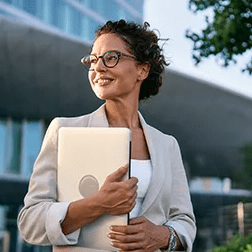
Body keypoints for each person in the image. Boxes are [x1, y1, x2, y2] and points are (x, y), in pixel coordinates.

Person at [18, 20, 196, 252]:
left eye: (111, 57)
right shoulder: (64, 131)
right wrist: (97, 204)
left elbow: (184, 220)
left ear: (142, 69)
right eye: (93, 60)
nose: (98, 68)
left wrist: (163, 236)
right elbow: (30, 223)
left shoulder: (167, 145)